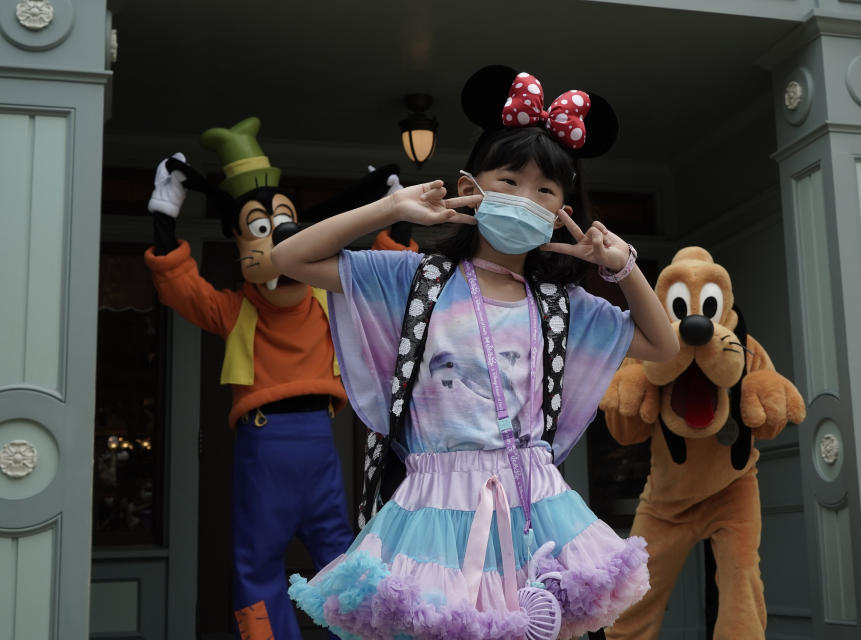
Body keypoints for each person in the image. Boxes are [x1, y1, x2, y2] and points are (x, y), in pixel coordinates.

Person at [272, 66, 679, 640]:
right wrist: (390, 210)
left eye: (545, 190)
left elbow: (663, 345)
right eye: (510, 180)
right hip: (433, 508)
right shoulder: (415, 280)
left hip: (536, 510)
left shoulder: (563, 306)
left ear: (563, 210)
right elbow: (287, 258)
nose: (524, 198)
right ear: (472, 185)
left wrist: (622, 266)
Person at [144, 117, 415, 640]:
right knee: (258, 559)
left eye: (286, 226)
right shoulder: (234, 310)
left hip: (319, 438)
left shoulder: (326, 300)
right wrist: (164, 213)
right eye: (260, 230)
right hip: (263, 443)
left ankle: (360, 634)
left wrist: (395, 214)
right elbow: (180, 286)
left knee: (339, 550)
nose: (278, 247)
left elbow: (387, 277)